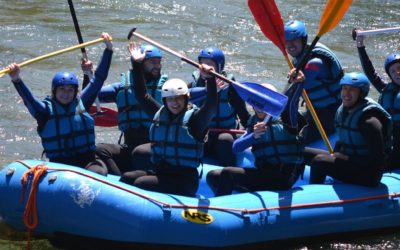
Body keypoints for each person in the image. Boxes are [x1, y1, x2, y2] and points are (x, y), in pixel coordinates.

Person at [119, 42, 218, 197]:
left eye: (179, 99)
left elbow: (211, 106)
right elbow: (141, 94)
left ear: (186, 99)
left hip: (185, 180)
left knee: (140, 184)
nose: (174, 103)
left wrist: (210, 79)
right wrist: (137, 64)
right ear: (165, 101)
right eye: (170, 99)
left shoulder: (195, 121)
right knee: (127, 178)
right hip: (162, 171)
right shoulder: (160, 114)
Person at [6, 33, 113, 175]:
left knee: (98, 171)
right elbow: (29, 100)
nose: (66, 93)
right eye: (61, 89)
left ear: (75, 92)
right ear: (54, 91)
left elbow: (98, 79)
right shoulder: (44, 111)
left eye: (70, 90)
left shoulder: (82, 102)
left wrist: (108, 49)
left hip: (88, 161)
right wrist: (16, 79)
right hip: (60, 166)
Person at [206, 69, 306, 196]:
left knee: (228, 174)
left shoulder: (286, 118)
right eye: (257, 102)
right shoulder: (254, 122)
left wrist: (298, 83)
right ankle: (232, 203)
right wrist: (253, 136)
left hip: (284, 176)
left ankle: (220, 210)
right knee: (213, 176)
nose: (259, 107)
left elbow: (292, 102)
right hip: (264, 173)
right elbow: (236, 147)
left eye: (264, 103)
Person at [84, 44, 167, 175]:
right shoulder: (122, 88)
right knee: (99, 150)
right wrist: (87, 75)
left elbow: (193, 94)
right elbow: (91, 96)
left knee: (140, 154)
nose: (157, 66)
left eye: (159, 62)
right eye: (152, 62)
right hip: (130, 146)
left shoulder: (168, 90)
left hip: (154, 150)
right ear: (142, 63)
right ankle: (120, 182)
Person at [307, 72, 392, 187]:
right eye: (345, 88)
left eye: (352, 90)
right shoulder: (344, 111)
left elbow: (377, 161)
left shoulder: (370, 122)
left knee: (320, 161)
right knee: (303, 152)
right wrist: (340, 154)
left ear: (361, 93)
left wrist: (341, 157)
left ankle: (314, 197)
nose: (346, 93)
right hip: (351, 162)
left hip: (369, 175)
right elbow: (345, 140)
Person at [284, 20, 344, 143]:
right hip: (316, 110)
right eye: (287, 41)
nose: (290, 45)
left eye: (294, 40)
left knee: (298, 142)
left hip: (332, 112)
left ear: (303, 40)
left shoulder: (315, 63)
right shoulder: (301, 56)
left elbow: (305, 78)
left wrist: (300, 79)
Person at [189, 47, 250, 166]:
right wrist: (208, 90)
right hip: (203, 134)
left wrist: (254, 130)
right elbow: (184, 98)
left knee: (225, 139)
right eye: (202, 63)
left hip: (225, 133)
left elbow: (244, 115)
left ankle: (229, 174)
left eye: (210, 64)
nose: (205, 67)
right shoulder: (194, 85)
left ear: (219, 67)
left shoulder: (231, 87)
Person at [355, 33, 400, 170]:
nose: (397, 73)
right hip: (389, 139)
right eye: (392, 71)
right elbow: (370, 72)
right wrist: (360, 46)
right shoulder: (386, 89)